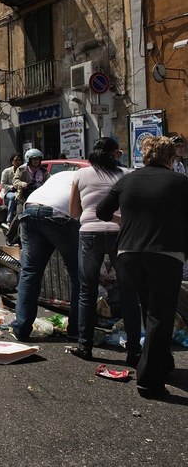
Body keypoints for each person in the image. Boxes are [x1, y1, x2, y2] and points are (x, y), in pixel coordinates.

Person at [96, 136, 188, 398]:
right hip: (165, 253)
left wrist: (127, 221)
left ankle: (162, 362)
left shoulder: (127, 179)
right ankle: (148, 380)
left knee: (149, 309)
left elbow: (102, 211)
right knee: (161, 314)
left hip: (129, 252)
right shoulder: (180, 182)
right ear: (170, 158)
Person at [68, 138, 140, 362]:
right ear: (116, 154)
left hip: (89, 233)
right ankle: (133, 351)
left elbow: (73, 212)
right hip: (121, 233)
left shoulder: (80, 175)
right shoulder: (126, 174)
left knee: (87, 291)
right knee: (129, 292)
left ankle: (84, 346)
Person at [10, 170, 80, 342]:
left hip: (31, 211)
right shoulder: (85, 179)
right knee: (79, 276)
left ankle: (21, 327)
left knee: (30, 272)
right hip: (59, 216)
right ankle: (76, 330)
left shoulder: (58, 176)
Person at [0, 154, 23, 224]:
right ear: (12, 161)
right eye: (16, 160)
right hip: (8, 192)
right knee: (13, 197)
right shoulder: (6, 171)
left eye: (19, 160)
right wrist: (12, 187)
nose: (18, 162)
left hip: (21, 191)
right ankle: (9, 220)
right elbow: (2, 185)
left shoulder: (24, 170)